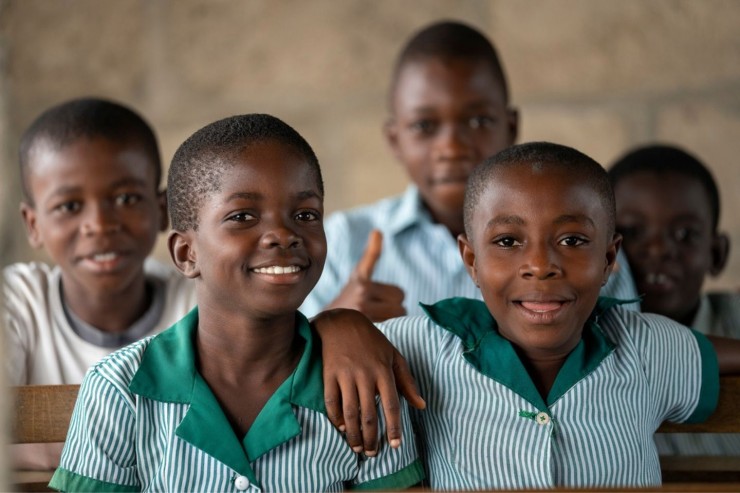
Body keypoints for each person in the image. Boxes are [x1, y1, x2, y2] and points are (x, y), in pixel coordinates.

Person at [318, 141, 740, 489]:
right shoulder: (422, 347)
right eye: (507, 241)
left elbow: (715, 356)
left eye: (573, 240)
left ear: (610, 257)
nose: (540, 265)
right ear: (471, 259)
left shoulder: (645, 346)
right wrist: (336, 323)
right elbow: (303, 352)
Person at [49, 114, 424, 492]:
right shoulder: (120, 389)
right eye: (242, 216)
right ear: (186, 253)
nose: (283, 234)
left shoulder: (360, 381)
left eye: (306, 215)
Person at [301, 20, 638, 321]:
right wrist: (333, 327)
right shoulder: (344, 242)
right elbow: (281, 379)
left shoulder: (587, 249)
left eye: (478, 121)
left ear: (510, 127)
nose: (452, 147)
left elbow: (626, 375)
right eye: (424, 125)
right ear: (395, 140)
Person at [3, 97, 197, 469]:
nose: (101, 224)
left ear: (161, 210)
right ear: (33, 224)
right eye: (69, 206)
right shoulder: (17, 301)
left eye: (125, 198)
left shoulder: (199, 304)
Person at [609, 143, 740, 456]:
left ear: (716, 254)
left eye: (685, 235)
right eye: (632, 232)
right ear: (601, 249)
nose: (659, 250)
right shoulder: (579, 344)